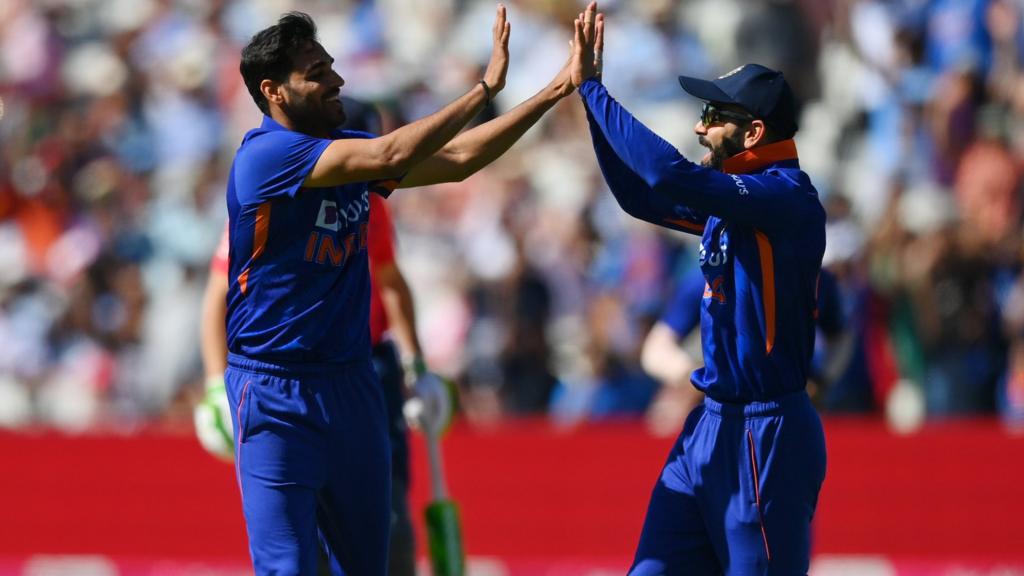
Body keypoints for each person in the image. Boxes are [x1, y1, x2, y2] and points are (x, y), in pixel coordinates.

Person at [223, 8, 577, 575]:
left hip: (354, 384)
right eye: (316, 72)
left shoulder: (346, 151)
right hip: (273, 391)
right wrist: (484, 88)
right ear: (274, 92)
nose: (336, 80)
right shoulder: (263, 157)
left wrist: (555, 90)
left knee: (367, 566)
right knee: (287, 566)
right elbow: (390, 154)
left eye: (332, 66)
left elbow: (459, 160)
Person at [567, 4, 827, 573]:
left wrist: (596, 92)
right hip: (709, 427)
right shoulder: (729, 194)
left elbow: (666, 174)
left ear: (753, 132)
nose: (699, 127)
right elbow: (638, 195)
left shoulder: (787, 199)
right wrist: (586, 100)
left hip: (766, 435)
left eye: (712, 114)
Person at [194, 97, 436, 576]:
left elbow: (391, 284)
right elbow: (217, 295)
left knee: (383, 525)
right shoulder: (272, 192)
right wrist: (213, 384)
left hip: (361, 372)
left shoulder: (370, 203)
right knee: (301, 538)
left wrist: (414, 365)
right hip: (289, 375)